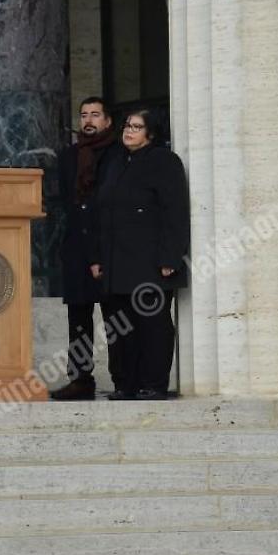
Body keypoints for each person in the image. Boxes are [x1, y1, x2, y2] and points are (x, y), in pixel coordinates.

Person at [88, 108, 189, 401]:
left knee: (152, 326)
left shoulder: (164, 161)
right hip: (115, 262)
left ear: (151, 133)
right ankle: (125, 384)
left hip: (151, 263)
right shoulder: (115, 162)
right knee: (118, 326)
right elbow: (101, 213)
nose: (128, 131)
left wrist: (171, 258)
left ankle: (153, 384)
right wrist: (96, 257)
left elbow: (175, 212)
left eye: (136, 127)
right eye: (127, 126)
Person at [50, 97, 118, 401]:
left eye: (95, 115)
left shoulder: (118, 153)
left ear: (107, 120)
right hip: (77, 246)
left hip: (110, 245)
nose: (88, 120)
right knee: (78, 318)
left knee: (116, 316)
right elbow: (66, 201)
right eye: (84, 115)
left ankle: (123, 378)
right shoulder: (69, 156)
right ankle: (79, 379)